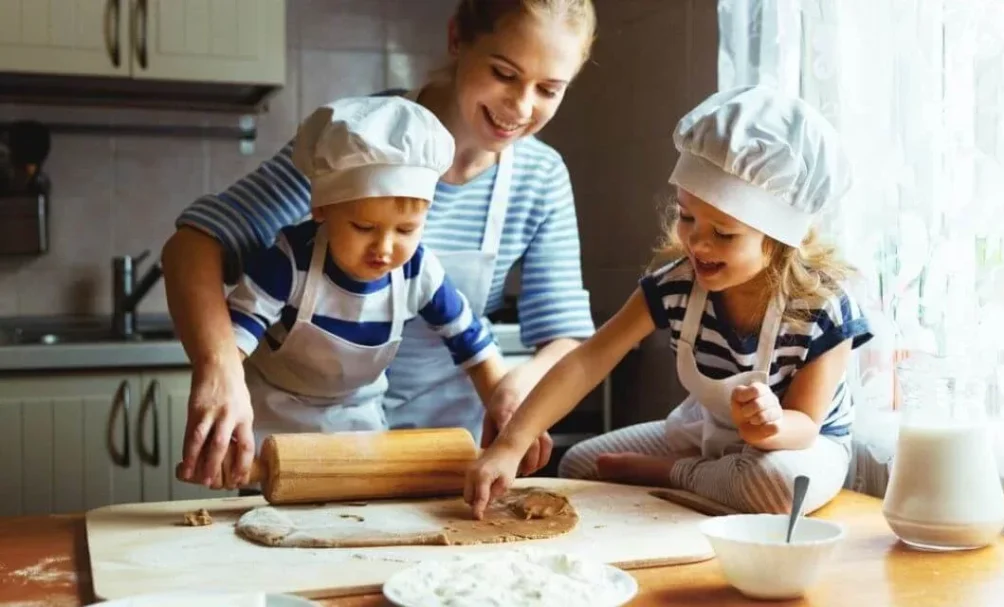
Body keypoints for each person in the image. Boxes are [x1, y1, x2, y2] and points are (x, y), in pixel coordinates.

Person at [163, 0, 599, 490]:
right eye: (503, 73)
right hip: (310, 456)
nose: (520, 107)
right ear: (458, 39)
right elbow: (194, 243)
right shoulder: (353, 142)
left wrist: (517, 382)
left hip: (446, 461)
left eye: (548, 89)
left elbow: (564, 337)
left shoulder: (540, 177)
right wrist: (220, 368)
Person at [464, 85, 874, 518]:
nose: (697, 241)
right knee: (578, 464)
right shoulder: (677, 284)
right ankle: (706, 471)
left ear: (778, 239)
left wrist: (771, 426)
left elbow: (806, 425)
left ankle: (675, 473)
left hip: (801, 447)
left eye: (724, 233)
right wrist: (512, 444)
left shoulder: (823, 306)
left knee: (774, 486)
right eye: (687, 217)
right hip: (711, 433)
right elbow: (590, 360)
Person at [220, 96, 508, 472]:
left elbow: (474, 348)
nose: (385, 249)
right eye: (364, 227)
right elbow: (231, 348)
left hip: (360, 428)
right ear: (321, 209)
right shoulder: (289, 262)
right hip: (271, 423)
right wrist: (227, 431)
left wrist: (509, 421)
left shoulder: (418, 270)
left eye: (406, 230)